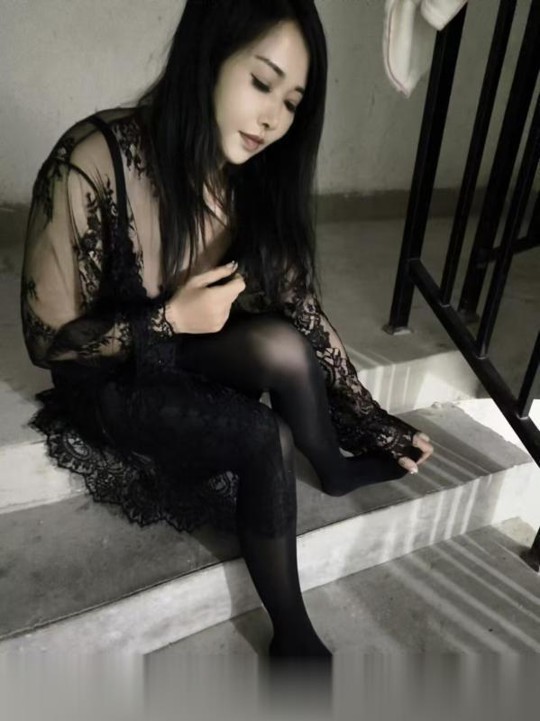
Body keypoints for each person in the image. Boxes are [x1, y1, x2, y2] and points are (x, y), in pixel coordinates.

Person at [21, 0, 433, 658]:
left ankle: (331, 465)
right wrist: (169, 318)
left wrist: (369, 417)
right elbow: (48, 343)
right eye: (262, 82)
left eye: (292, 102)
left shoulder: (254, 176)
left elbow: (300, 307)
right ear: (207, 58)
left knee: (283, 343)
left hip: (185, 345)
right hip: (109, 371)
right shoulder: (93, 161)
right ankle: (293, 635)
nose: (274, 119)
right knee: (263, 434)